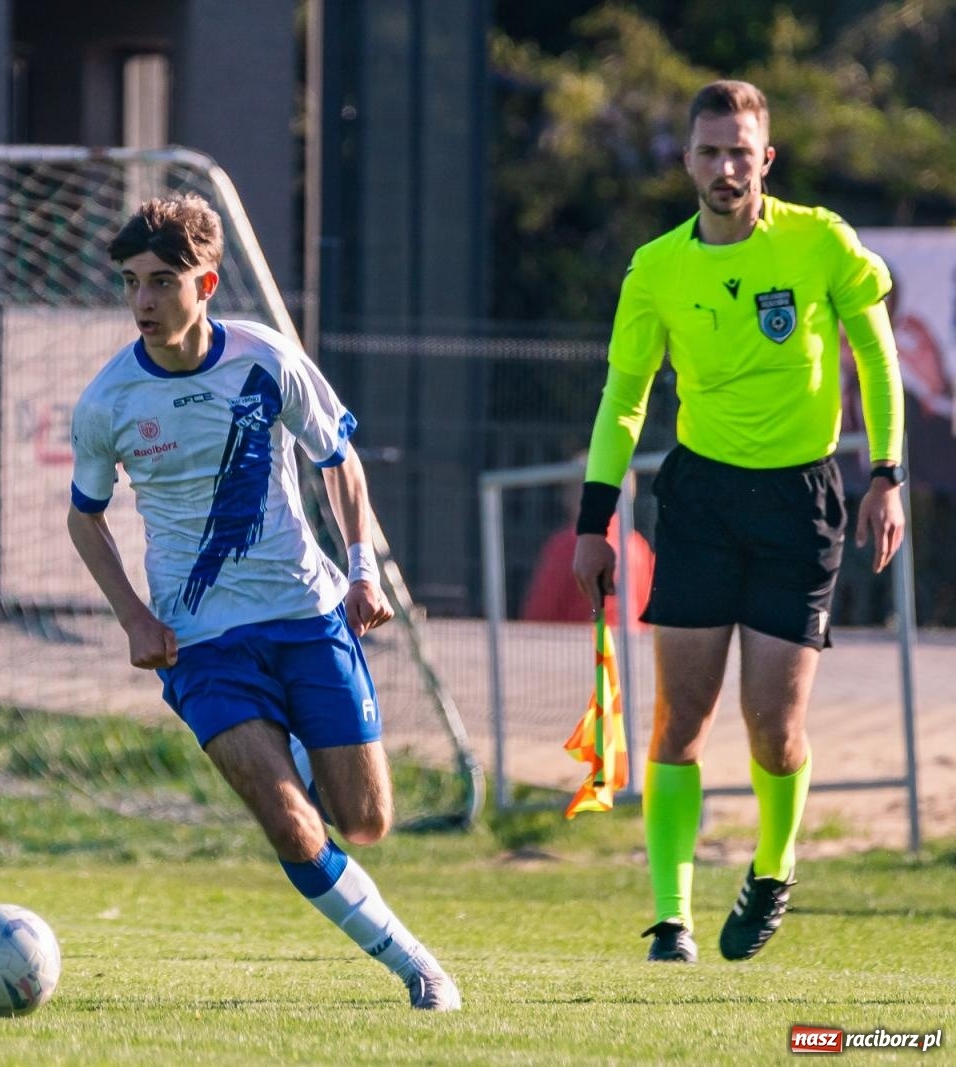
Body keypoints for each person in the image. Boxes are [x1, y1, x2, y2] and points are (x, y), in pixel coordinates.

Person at [67, 193, 461, 1010]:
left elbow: (339, 458)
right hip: (202, 647)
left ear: (205, 284)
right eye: (132, 283)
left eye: (163, 282)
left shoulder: (265, 358)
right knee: (290, 824)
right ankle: (417, 966)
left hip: (307, 615)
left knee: (365, 822)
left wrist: (363, 567)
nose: (143, 302)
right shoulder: (109, 402)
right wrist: (135, 615)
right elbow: (85, 516)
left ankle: (317, 754)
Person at [572, 81, 905, 964]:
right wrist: (592, 521)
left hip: (802, 503)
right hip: (700, 504)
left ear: (767, 158)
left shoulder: (819, 240)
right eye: (709, 151)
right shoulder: (656, 268)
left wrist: (886, 475)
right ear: (687, 161)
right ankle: (671, 917)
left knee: (773, 724)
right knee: (680, 717)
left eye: (740, 151)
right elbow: (623, 400)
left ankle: (772, 865)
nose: (726, 168)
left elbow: (876, 355)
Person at [521, 457, 654, 629]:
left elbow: (541, 611)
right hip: (629, 645)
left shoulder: (567, 544)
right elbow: (648, 608)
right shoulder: (637, 546)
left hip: (581, 647)